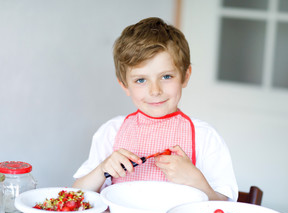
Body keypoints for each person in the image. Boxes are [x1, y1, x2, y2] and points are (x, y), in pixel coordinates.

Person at [73, 17, 238, 201]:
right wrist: (102, 169)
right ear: (124, 85)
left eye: (166, 76)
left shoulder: (205, 137)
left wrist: (196, 180)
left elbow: (224, 208)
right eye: (141, 80)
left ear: (185, 76)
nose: (155, 90)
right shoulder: (111, 132)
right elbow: (75, 196)